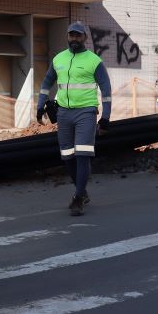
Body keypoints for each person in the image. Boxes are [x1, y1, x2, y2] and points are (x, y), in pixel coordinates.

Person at [37, 22, 112, 217]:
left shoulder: (94, 61)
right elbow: (47, 82)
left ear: (85, 37)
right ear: (67, 37)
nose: (75, 39)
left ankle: (78, 198)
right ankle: (82, 191)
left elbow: (106, 90)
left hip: (86, 112)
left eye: (78, 35)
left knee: (82, 154)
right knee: (67, 155)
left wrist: (105, 117)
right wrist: (39, 105)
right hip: (63, 113)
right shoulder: (59, 59)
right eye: (72, 35)